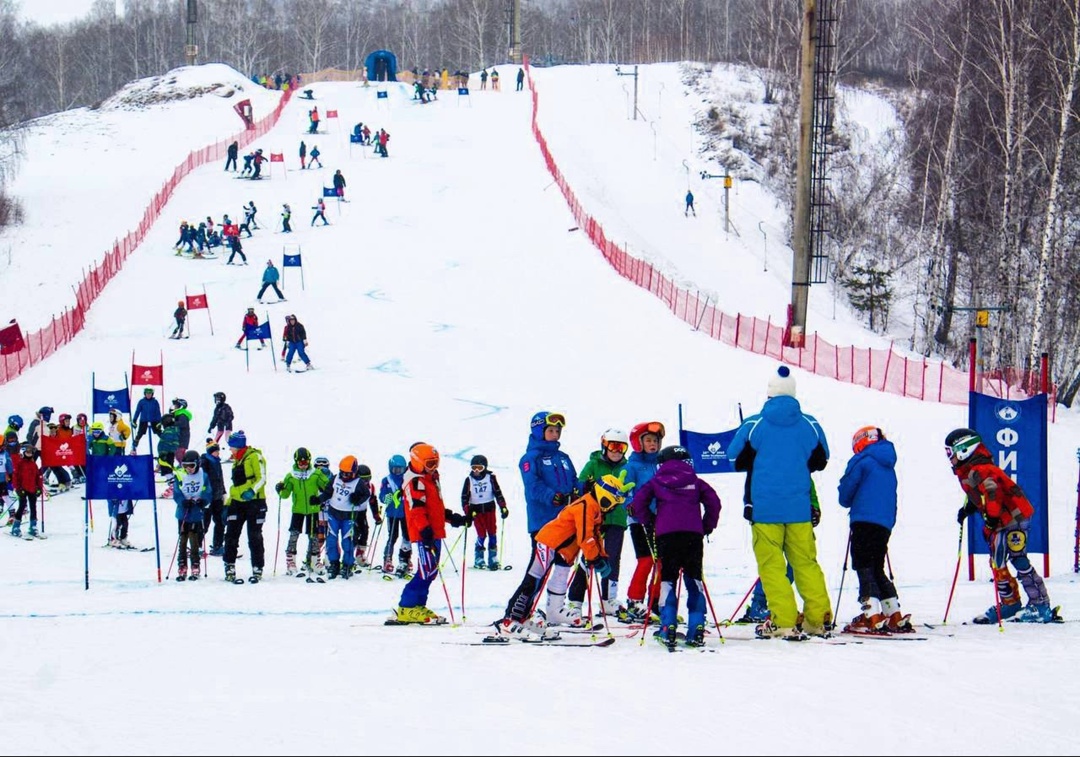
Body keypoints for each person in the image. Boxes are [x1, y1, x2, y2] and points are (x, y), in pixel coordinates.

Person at [726, 364, 832, 640]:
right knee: (806, 563)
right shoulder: (810, 424)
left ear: (769, 394)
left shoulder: (754, 424)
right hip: (799, 509)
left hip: (765, 509)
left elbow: (732, 456)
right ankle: (818, 619)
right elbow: (822, 459)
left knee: (772, 566)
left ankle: (783, 621)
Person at [497, 472, 635, 640]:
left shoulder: (595, 508)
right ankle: (509, 620)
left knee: (542, 581)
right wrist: (595, 558)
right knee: (533, 581)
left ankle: (523, 618)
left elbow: (595, 534)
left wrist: (602, 556)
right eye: (612, 503)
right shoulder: (585, 505)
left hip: (561, 548)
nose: (612, 508)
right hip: (549, 542)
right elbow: (586, 537)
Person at [946, 428, 1059, 624]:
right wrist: (969, 508)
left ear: (964, 449)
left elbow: (992, 492)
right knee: (996, 561)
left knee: (1018, 557)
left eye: (951, 452)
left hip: (1014, 517)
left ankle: (1040, 605)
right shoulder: (969, 469)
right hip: (1000, 519)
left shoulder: (981, 469)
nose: (950, 458)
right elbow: (980, 493)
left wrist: (991, 516)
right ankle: (1010, 603)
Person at [628, 445, 721, 648]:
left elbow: (638, 503)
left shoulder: (657, 481)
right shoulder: (696, 482)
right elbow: (714, 502)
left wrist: (650, 520)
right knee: (694, 579)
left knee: (667, 580)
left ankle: (667, 625)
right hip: (693, 536)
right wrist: (706, 525)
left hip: (666, 536)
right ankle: (696, 627)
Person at [837, 426, 912, 633]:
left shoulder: (862, 461)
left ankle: (872, 614)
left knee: (863, 564)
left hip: (863, 519)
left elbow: (845, 496)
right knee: (877, 566)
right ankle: (893, 613)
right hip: (884, 523)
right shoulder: (889, 466)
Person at [390, 443, 467, 623]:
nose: (434, 467)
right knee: (425, 571)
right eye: (430, 464)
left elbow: (435, 508)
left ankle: (418, 605)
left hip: (435, 531)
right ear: (418, 462)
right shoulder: (415, 481)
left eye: (436, 463)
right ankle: (406, 606)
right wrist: (425, 530)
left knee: (431, 571)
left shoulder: (430, 478)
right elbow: (416, 510)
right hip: (424, 533)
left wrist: (453, 518)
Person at [518, 410, 580, 626]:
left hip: (566, 521)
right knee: (539, 569)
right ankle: (520, 613)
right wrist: (552, 496)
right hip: (543, 521)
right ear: (539, 431)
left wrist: (585, 487)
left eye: (557, 431)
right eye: (551, 430)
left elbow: (574, 481)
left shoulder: (563, 458)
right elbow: (532, 486)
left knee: (564, 564)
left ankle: (555, 609)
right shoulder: (530, 458)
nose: (555, 435)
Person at [572, 429, 630, 614]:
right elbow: (580, 487)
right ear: (604, 446)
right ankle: (575, 600)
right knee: (589, 556)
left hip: (617, 518)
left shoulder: (627, 467)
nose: (617, 451)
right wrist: (588, 486)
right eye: (613, 446)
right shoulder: (593, 464)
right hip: (596, 518)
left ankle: (608, 598)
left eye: (621, 448)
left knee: (613, 557)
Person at [620, 421, 665, 622]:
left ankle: (656, 602)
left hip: (660, 519)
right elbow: (624, 490)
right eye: (648, 440)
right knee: (646, 559)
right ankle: (634, 601)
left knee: (661, 562)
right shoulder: (632, 466)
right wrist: (630, 504)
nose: (653, 444)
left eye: (655, 440)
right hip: (639, 520)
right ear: (638, 443)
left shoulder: (661, 464)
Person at [276, 447, 332, 575]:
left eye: (306, 462)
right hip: (298, 510)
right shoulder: (291, 476)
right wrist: (280, 489)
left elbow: (328, 487)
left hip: (313, 509)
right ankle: (291, 561)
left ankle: (314, 561)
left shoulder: (315, 474)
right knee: (294, 534)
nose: (303, 465)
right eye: (301, 463)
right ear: (296, 462)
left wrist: (320, 498)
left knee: (313, 536)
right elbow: (285, 495)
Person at [223, 430, 268, 584]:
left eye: (231, 447)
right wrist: (228, 503)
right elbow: (237, 485)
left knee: (254, 536)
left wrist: (252, 491)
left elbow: (262, 478)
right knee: (231, 535)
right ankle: (229, 565)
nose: (230, 450)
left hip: (254, 502)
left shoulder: (255, 457)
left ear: (238, 446)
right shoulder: (237, 460)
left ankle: (257, 567)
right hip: (237, 502)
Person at [460, 454, 509, 570]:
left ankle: (493, 557)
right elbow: (464, 497)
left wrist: (503, 507)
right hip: (476, 511)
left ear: (485, 468)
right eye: (474, 468)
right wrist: (468, 511)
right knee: (481, 534)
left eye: (479, 468)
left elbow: (498, 493)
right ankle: (479, 557)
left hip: (489, 509)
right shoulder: (469, 480)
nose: (476, 471)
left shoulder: (490, 478)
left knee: (492, 533)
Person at [172, 450, 209, 581]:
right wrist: (182, 501)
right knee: (182, 539)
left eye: (191, 466)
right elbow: (176, 492)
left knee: (194, 539)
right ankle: (182, 565)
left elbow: (207, 490)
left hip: (196, 512)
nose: (188, 469)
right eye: (185, 466)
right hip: (183, 512)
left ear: (197, 464)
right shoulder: (180, 474)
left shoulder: (203, 475)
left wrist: (204, 500)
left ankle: (195, 564)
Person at [380, 454, 411, 576]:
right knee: (393, 536)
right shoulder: (387, 480)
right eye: (395, 469)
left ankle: (405, 559)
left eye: (400, 469)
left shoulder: (407, 479)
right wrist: (387, 498)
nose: (397, 472)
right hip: (392, 513)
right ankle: (387, 559)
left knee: (407, 536)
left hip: (406, 514)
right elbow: (382, 496)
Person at [10, 443, 44, 539]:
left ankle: (33, 526)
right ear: (24, 452)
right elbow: (15, 477)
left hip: (32, 488)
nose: (29, 454)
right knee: (22, 506)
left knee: (33, 507)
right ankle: (16, 527)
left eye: (31, 453)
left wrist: (39, 488)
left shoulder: (34, 464)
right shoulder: (20, 463)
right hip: (22, 489)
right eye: (27, 452)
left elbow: (38, 477)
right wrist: (17, 488)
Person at [201, 439, 227, 556]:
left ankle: (218, 545)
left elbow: (220, 479)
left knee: (220, 522)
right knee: (204, 523)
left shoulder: (217, 462)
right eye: (216, 451)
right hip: (208, 498)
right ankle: (197, 546)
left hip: (217, 497)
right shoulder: (205, 462)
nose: (218, 453)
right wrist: (205, 495)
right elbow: (204, 480)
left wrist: (223, 492)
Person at [131, 387, 163, 452]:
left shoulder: (155, 402)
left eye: (150, 393)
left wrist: (159, 422)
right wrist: (134, 420)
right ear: (145, 394)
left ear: (152, 394)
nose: (148, 395)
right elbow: (137, 411)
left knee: (159, 432)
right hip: (144, 420)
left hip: (154, 420)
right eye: (147, 393)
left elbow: (158, 412)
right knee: (140, 433)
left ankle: (166, 443)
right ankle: (134, 447)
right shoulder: (141, 402)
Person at [170, 398, 192, 463]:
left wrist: (172, 423)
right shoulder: (177, 415)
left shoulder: (182, 415)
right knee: (178, 453)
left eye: (176, 406)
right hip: (180, 437)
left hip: (182, 437)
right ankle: (183, 464)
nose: (174, 407)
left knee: (179, 454)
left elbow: (182, 424)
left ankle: (184, 465)